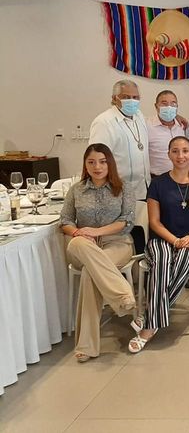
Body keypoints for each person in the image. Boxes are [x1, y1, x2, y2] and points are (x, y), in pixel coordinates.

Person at [129, 136, 189, 353]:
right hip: (162, 239)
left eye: (185, 151)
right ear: (168, 154)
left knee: (185, 258)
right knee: (163, 259)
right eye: (175, 151)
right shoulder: (158, 183)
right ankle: (153, 319)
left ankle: (149, 322)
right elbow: (154, 222)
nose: (180, 156)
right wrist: (175, 241)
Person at [60, 144, 136, 362]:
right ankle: (122, 294)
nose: (97, 167)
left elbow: (126, 221)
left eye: (102, 162)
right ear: (85, 165)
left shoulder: (124, 188)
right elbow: (65, 221)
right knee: (75, 244)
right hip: (84, 245)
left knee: (89, 273)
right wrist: (79, 233)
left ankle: (87, 346)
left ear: (110, 163)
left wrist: (96, 231)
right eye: (91, 162)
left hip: (117, 243)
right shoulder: (76, 190)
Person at [88, 80, 150, 201]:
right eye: (126, 97)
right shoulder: (104, 122)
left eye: (135, 97)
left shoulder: (139, 116)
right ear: (114, 98)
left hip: (143, 189)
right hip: (117, 193)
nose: (132, 101)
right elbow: (96, 161)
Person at [147, 90, 185, 178]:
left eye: (173, 103)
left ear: (177, 106)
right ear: (156, 106)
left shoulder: (182, 126)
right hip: (157, 178)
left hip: (181, 177)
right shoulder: (147, 125)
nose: (169, 107)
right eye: (164, 104)